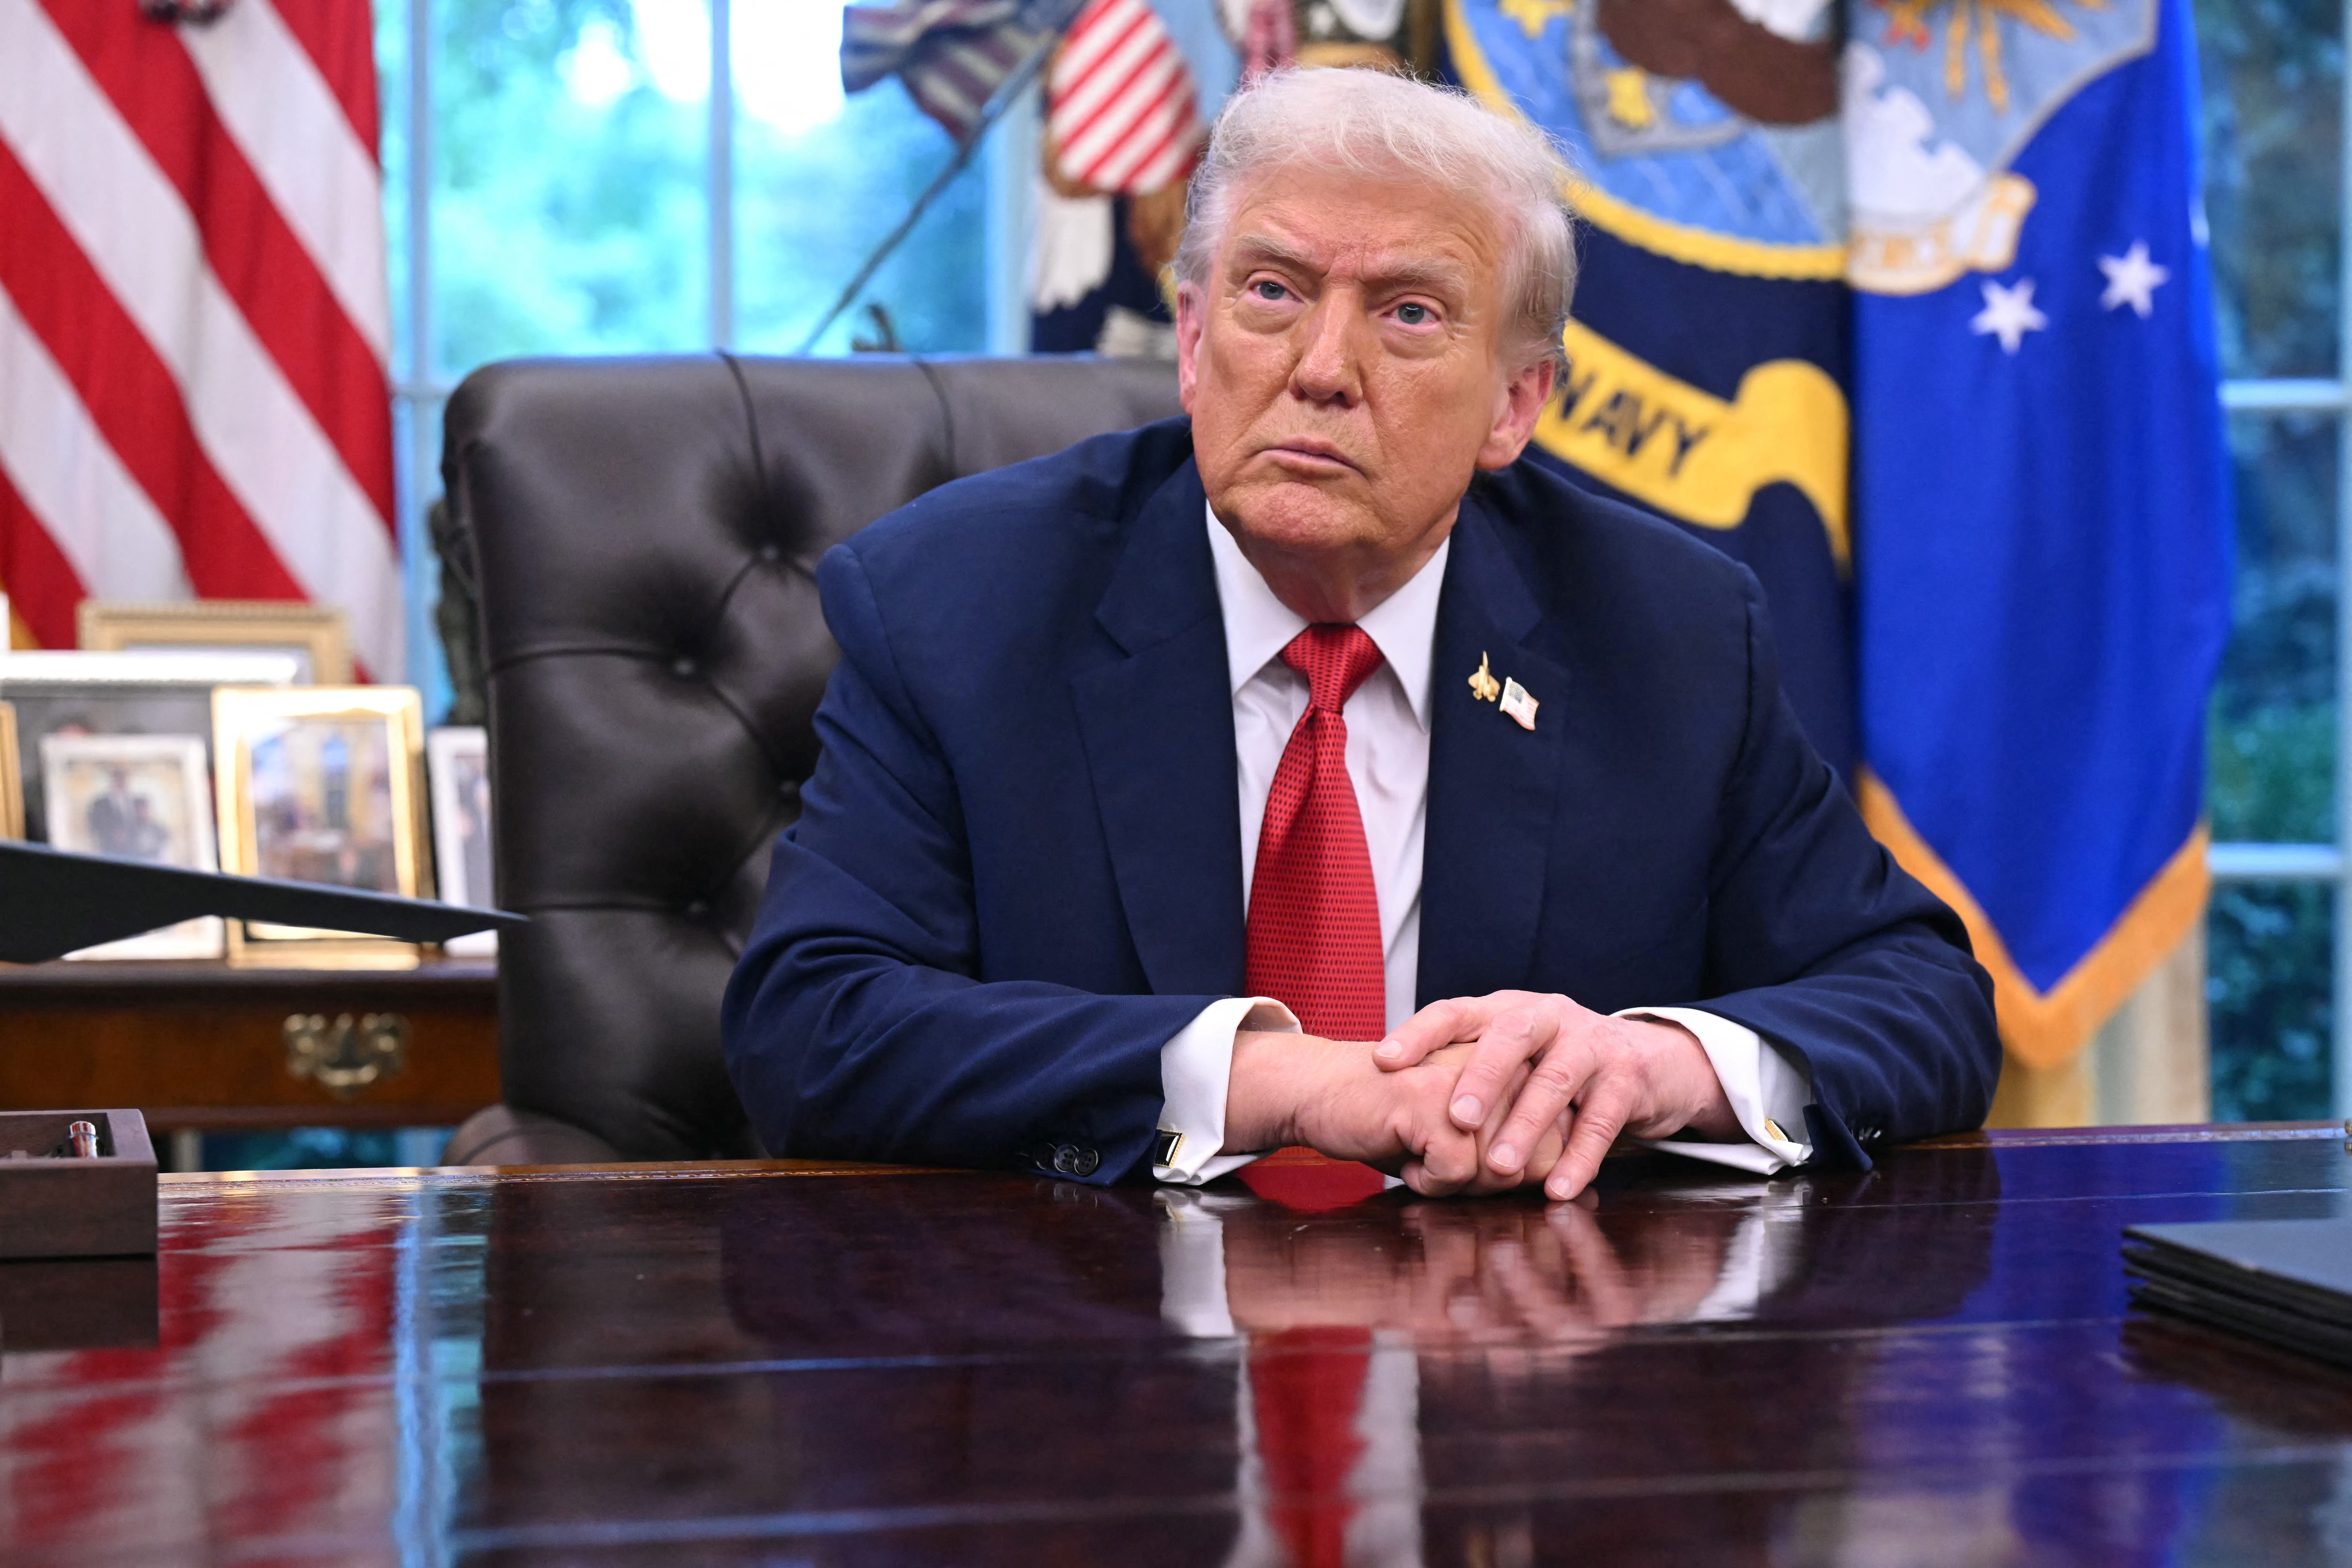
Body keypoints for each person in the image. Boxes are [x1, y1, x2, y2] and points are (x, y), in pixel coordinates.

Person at [721, 67, 2000, 1199]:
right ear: (1190, 338)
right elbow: (812, 1023)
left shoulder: (1665, 631)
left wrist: (1654, 1065)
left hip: (1531, 1395)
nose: (1323, 366)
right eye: (1273, 291)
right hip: (1090, 1379)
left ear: (1516, 404)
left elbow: (1922, 998)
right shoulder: (959, 603)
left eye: (1408, 313)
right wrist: (1278, 1080)